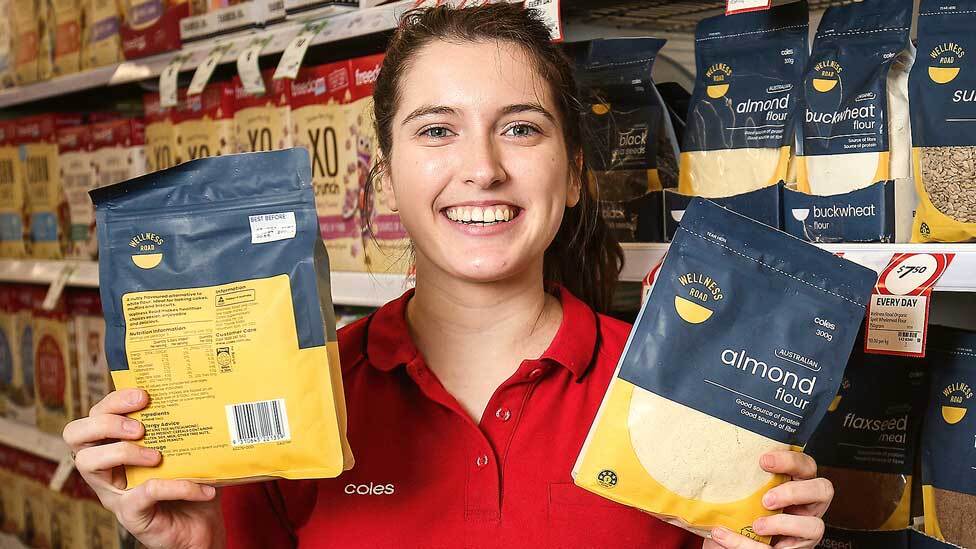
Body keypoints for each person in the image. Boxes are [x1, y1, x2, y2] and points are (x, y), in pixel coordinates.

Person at [62, 5, 833, 548]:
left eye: (521, 128)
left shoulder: (679, 392)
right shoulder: (298, 403)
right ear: (387, 181)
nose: (483, 169)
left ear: (572, 176)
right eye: (437, 129)